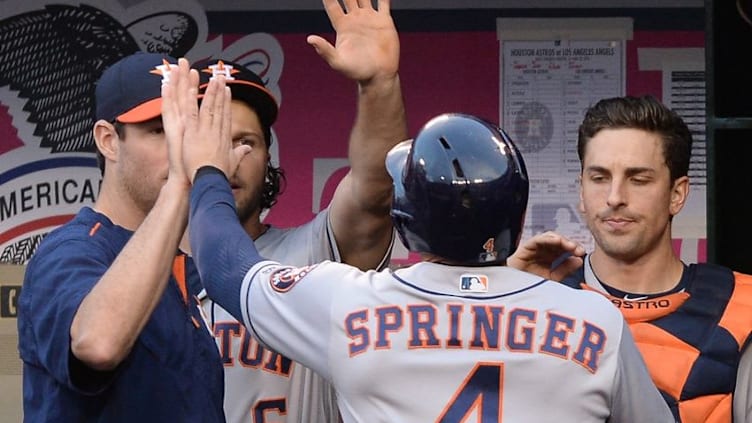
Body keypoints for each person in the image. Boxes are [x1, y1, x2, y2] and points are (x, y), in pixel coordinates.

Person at [181, 105, 674, 421]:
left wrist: (207, 171)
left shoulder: (347, 303)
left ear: (406, 221)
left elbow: (222, 263)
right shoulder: (595, 320)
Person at [189, 0, 407, 421]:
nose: (225, 159)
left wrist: (379, 86)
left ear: (269, 156)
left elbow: (373, 192)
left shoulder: (310, 256)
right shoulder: (144, 276)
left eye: (244, 142)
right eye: (208, 137)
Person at [16, 53, 230, 421]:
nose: (180, 146)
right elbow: (97, 344)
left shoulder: (180, 266)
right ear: (109, 140)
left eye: (185, 130)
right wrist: (180, 182)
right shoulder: (72, 249)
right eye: (159, 130)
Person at [552, 95, 752, 422]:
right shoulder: (535, 300)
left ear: (677, 194)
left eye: (638, 179)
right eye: (599, 177)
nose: (615, 197)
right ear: (581, 191)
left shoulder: (741, 308)